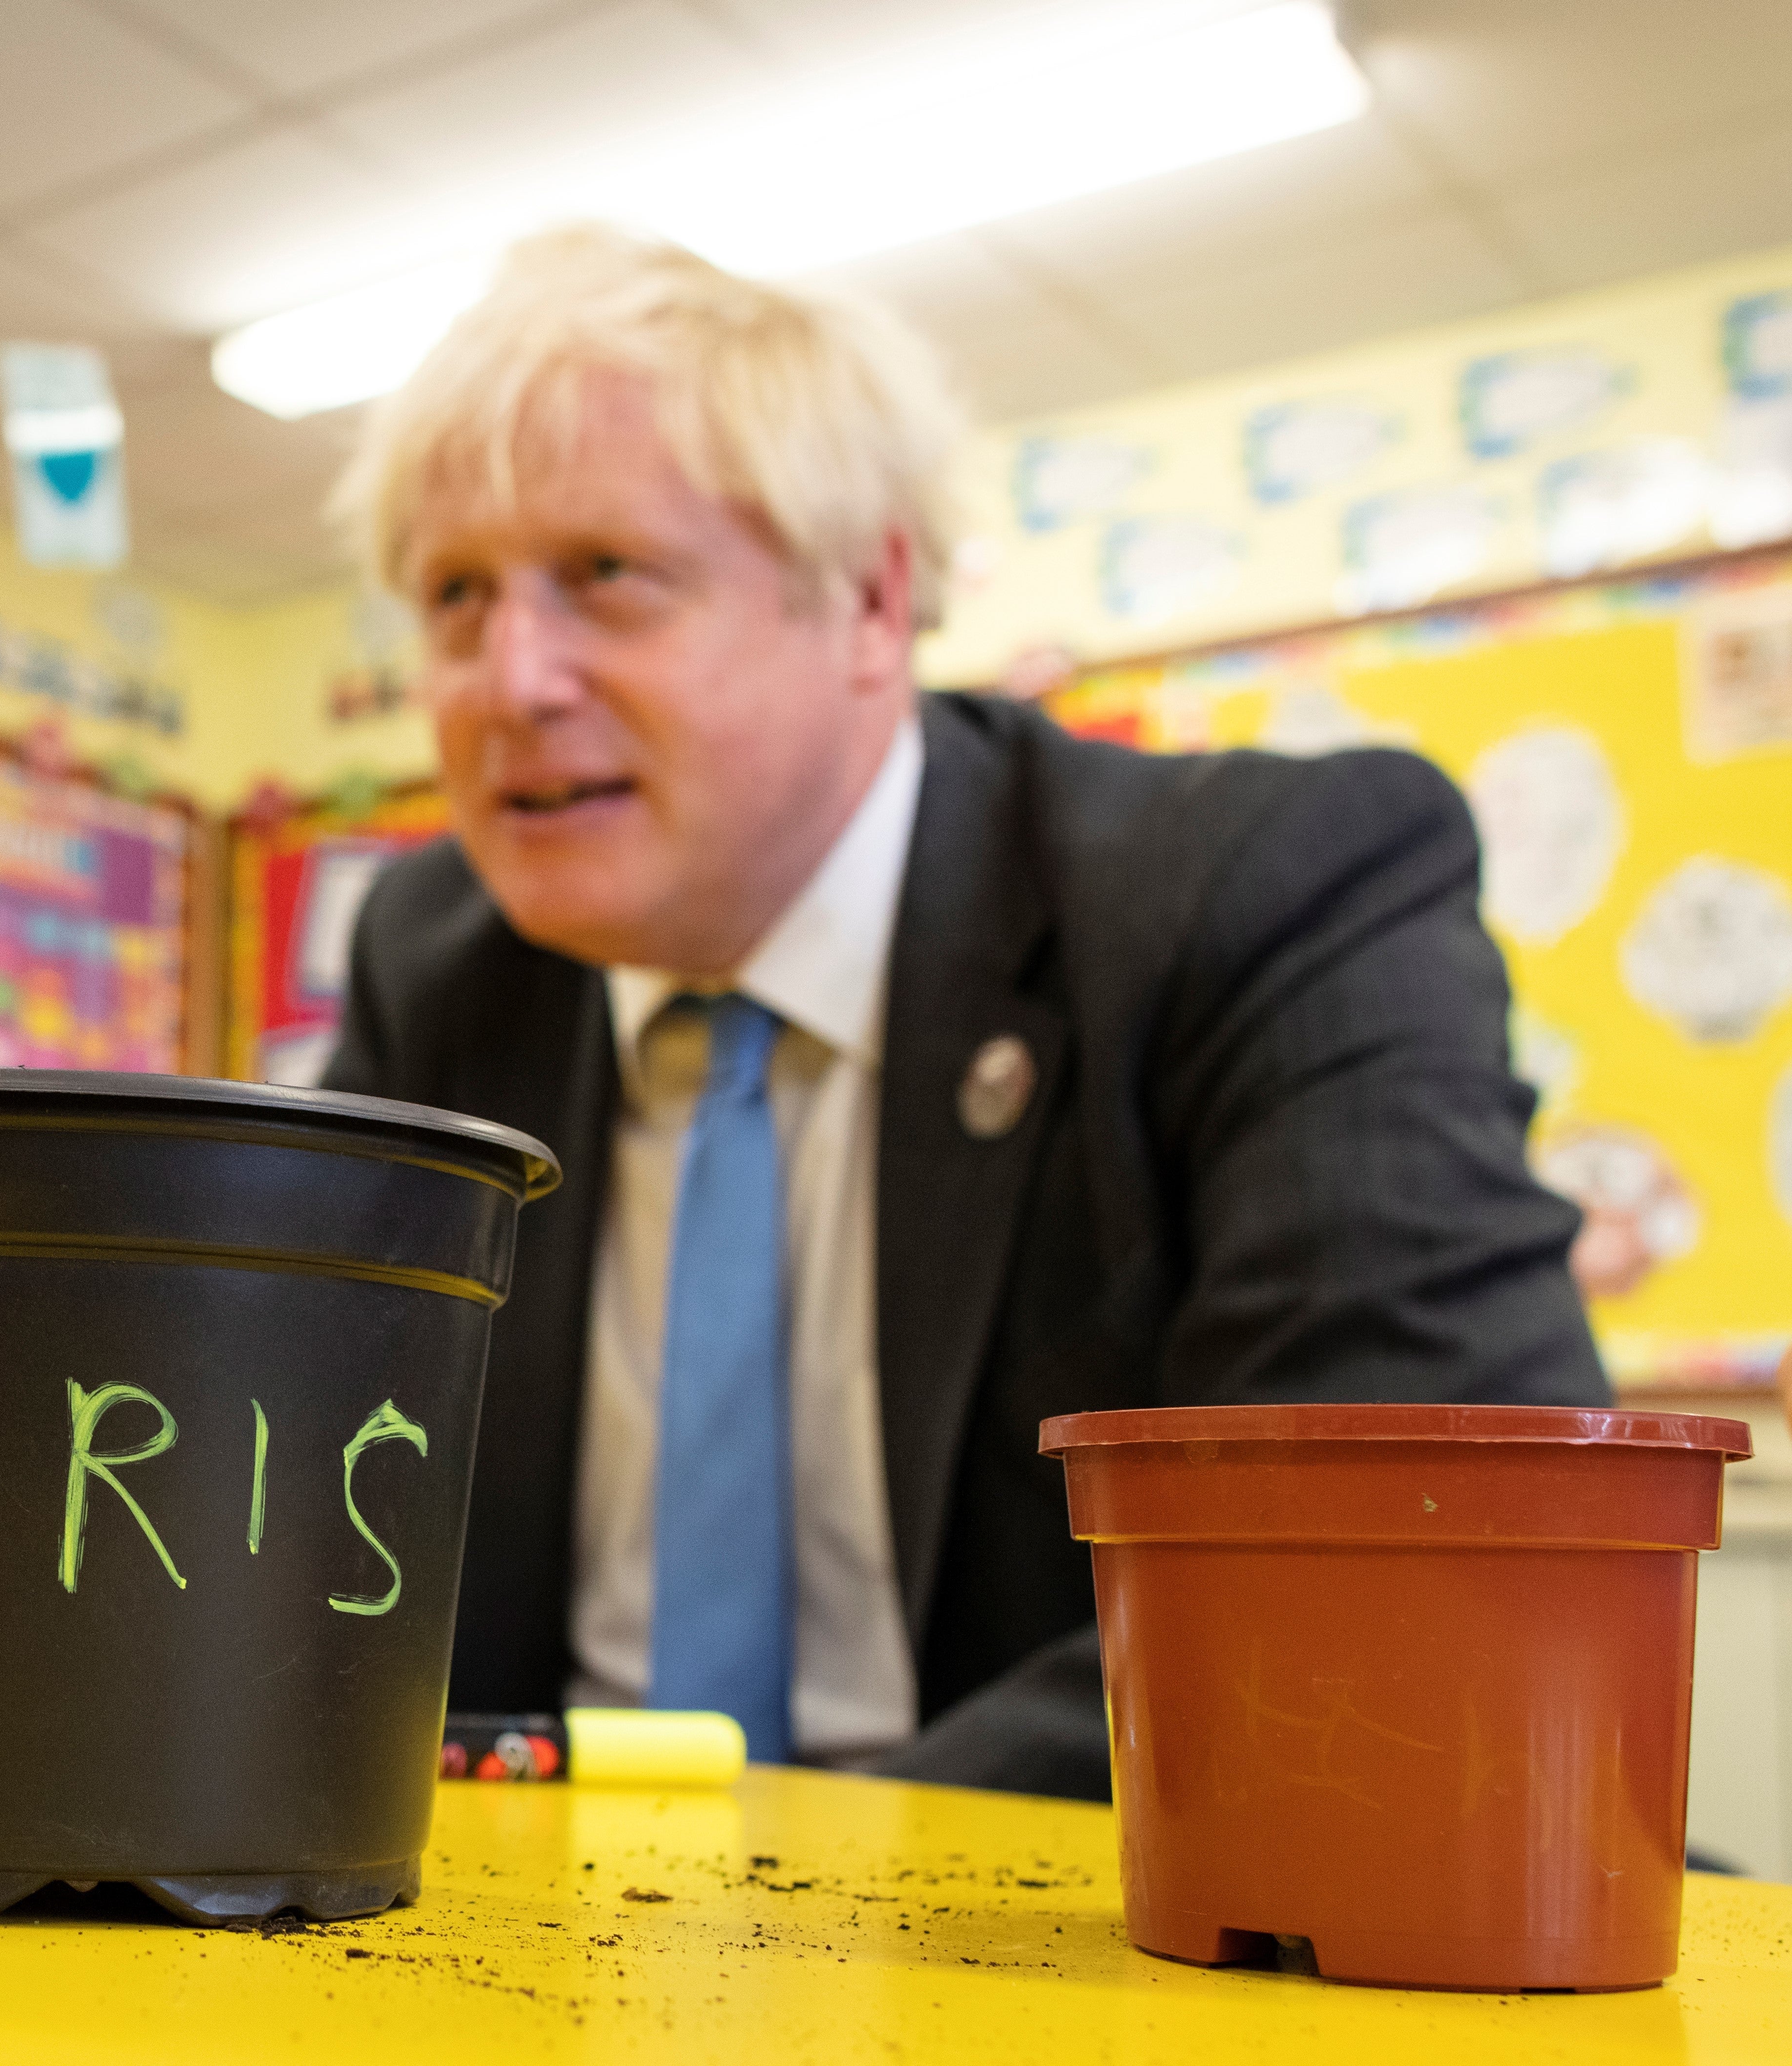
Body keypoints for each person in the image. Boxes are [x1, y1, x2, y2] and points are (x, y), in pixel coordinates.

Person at [320, 227, 1608, 1801]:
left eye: (607, 576)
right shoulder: (437, 956)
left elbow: (1415, 1552)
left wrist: (795, 1913)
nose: (510, 678)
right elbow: (314, 1537)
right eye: (455, 598)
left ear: (870, 601)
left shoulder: (1255, 895)